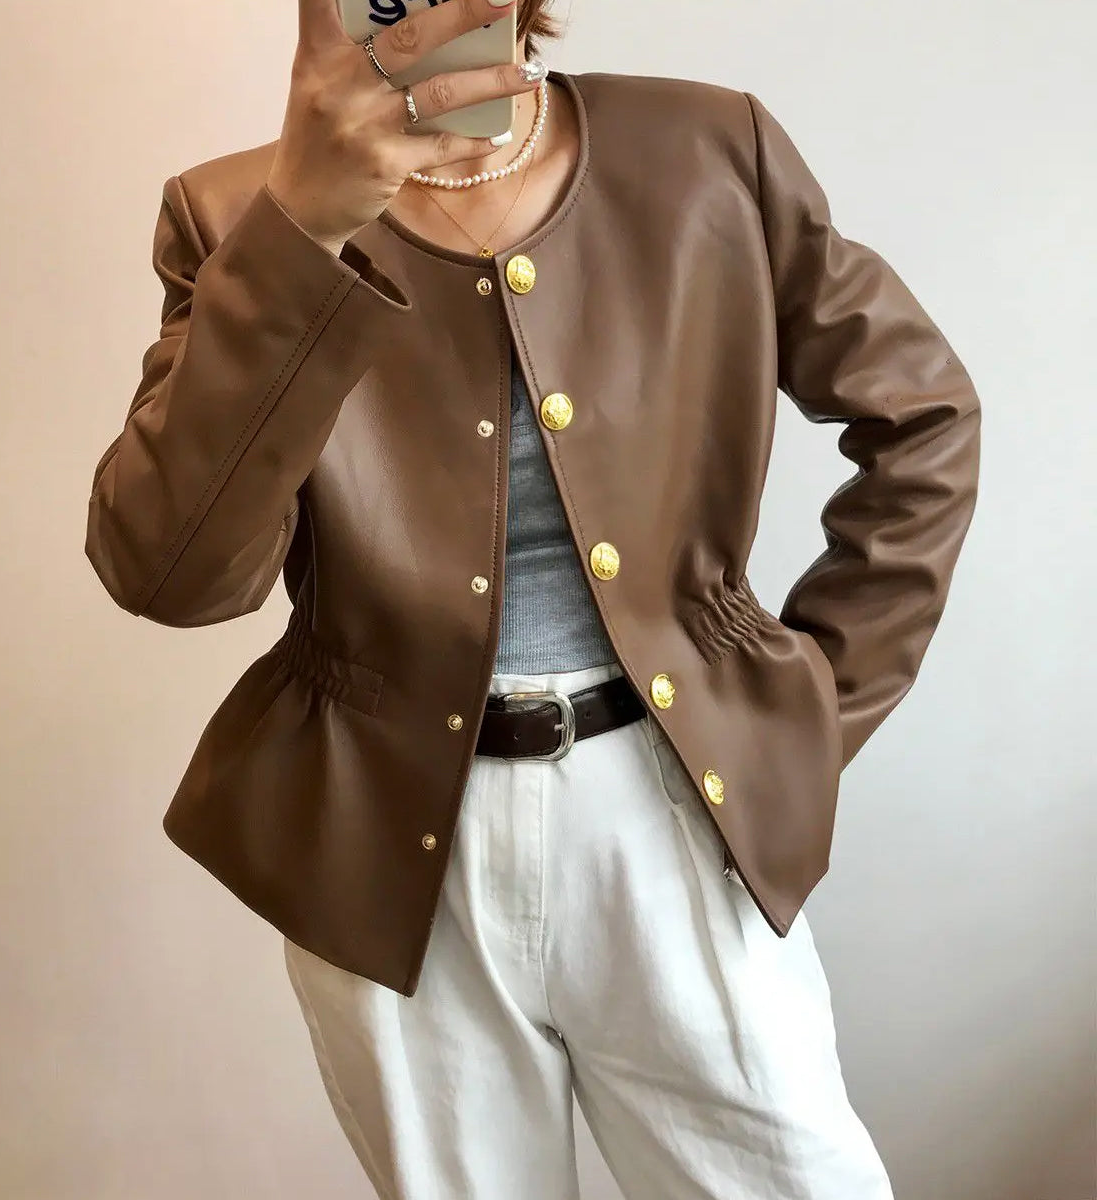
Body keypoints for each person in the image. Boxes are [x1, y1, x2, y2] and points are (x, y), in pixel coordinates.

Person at [84, 0, 982, 1195]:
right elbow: (171, 573)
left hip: (675, 803)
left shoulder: (709, 152)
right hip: (388, 855)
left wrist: (810, 707)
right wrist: (299, 234)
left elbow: (923, 419)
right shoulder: (236, 216)